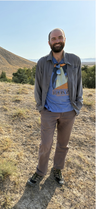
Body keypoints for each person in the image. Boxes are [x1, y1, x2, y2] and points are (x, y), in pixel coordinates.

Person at [27, 28, 83, 186]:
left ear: (65, 39)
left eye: (60, 37)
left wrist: (77, 106)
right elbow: (37, 86)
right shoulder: (42, 63)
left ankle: (57, 169)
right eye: (53, 38)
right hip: (49, 111)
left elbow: (79, 84)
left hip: (69, 111)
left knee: (63, 144)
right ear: (49, 42)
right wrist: (41, 108)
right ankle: (40, 171)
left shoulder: (75, 60)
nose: (57, 41)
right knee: (45, 144)